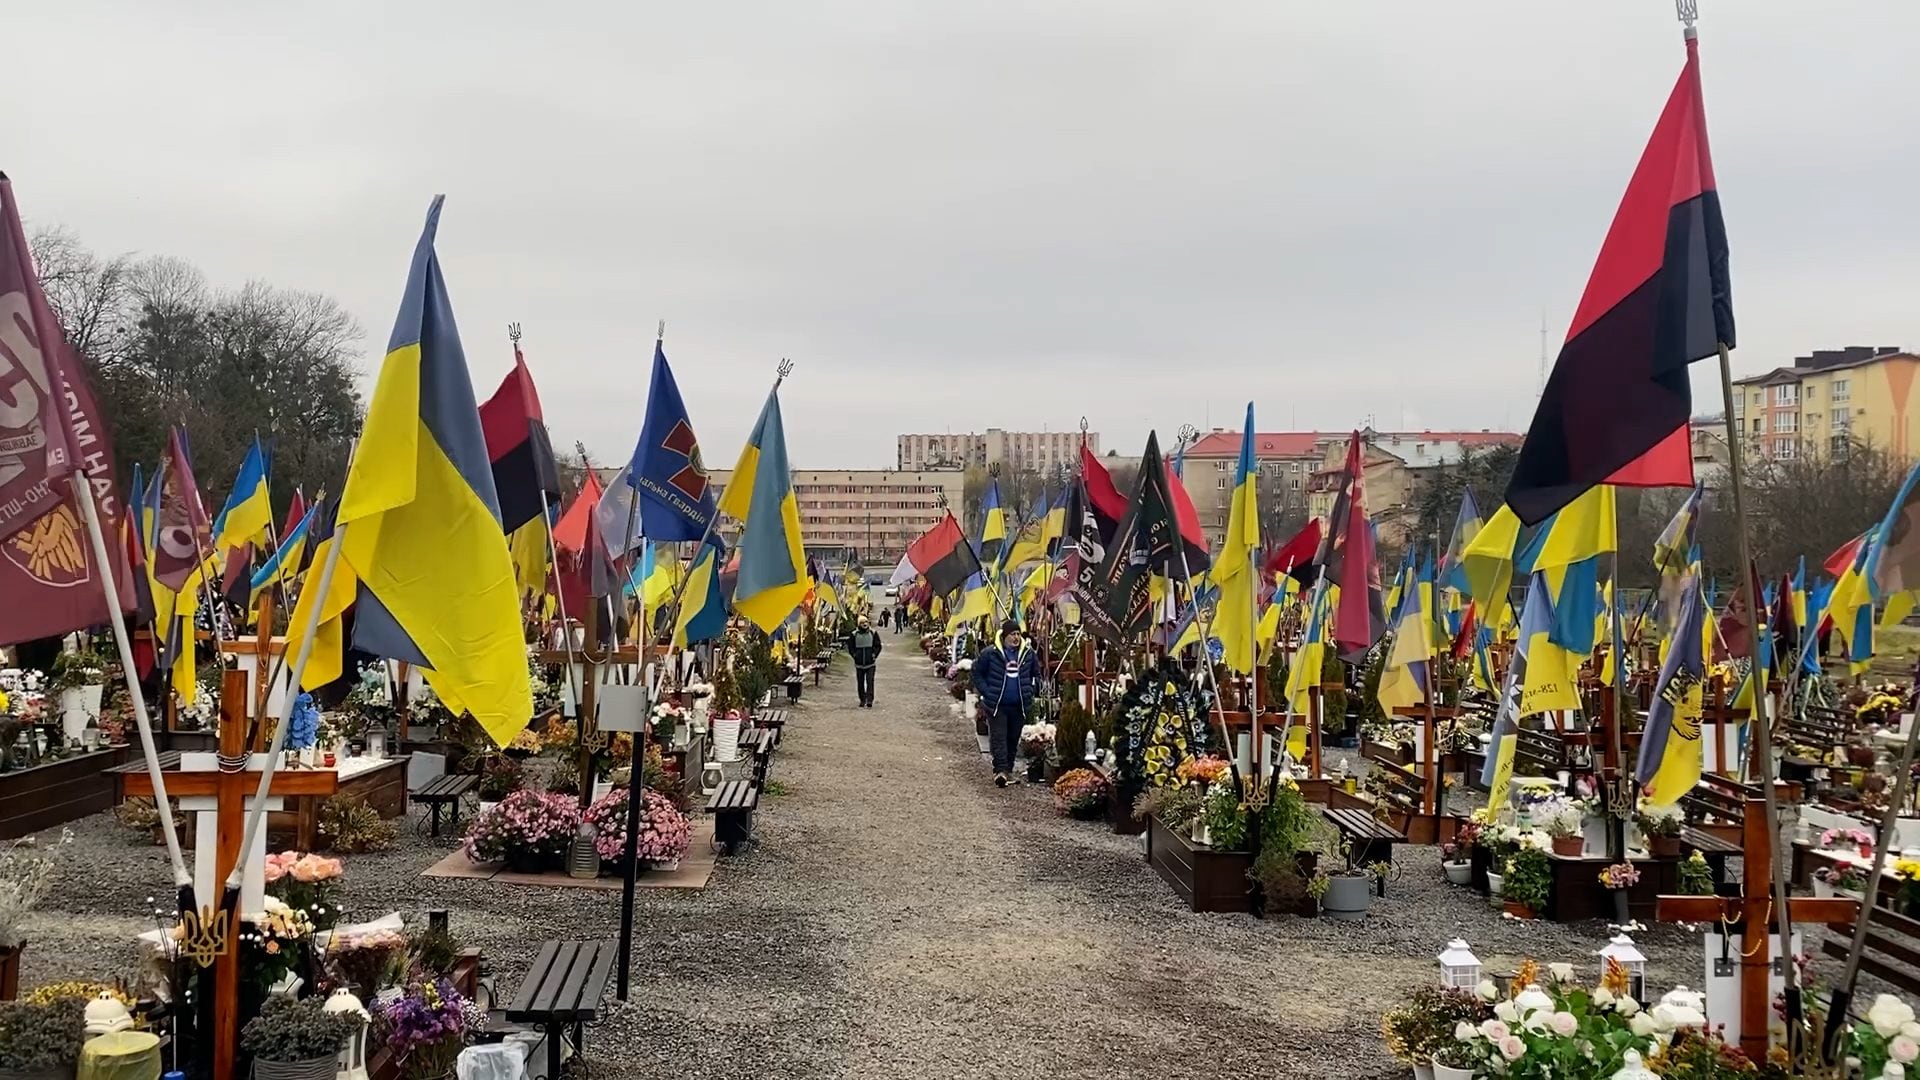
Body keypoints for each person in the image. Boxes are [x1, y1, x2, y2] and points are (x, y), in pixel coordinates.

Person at [971, 619, 1040, 786]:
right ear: (1004, 636)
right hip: (997, 704)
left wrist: (1031, 690)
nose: (1016, 638)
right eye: (1012, 634)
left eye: (1018, 634)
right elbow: (976, 671)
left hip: (1019, 704)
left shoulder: (1028, 654)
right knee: (999, 737)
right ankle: (1000, 771)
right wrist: (986, 691)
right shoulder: (991, 653)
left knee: (1012, 738)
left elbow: (1036, 674)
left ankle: (1008, 770)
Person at [847, 614, 883, 707]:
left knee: (870, 681)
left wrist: (874, 654)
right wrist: (855, 655)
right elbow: (850, 647)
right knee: (860, 682)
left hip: (870, 663)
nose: (865, 624)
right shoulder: (854, 634)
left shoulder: (873, 633)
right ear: (859, 624)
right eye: (862, 623)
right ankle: (862, 700)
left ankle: (869, 700)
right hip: (859, 663)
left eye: (866, 622)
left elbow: (878, 646)